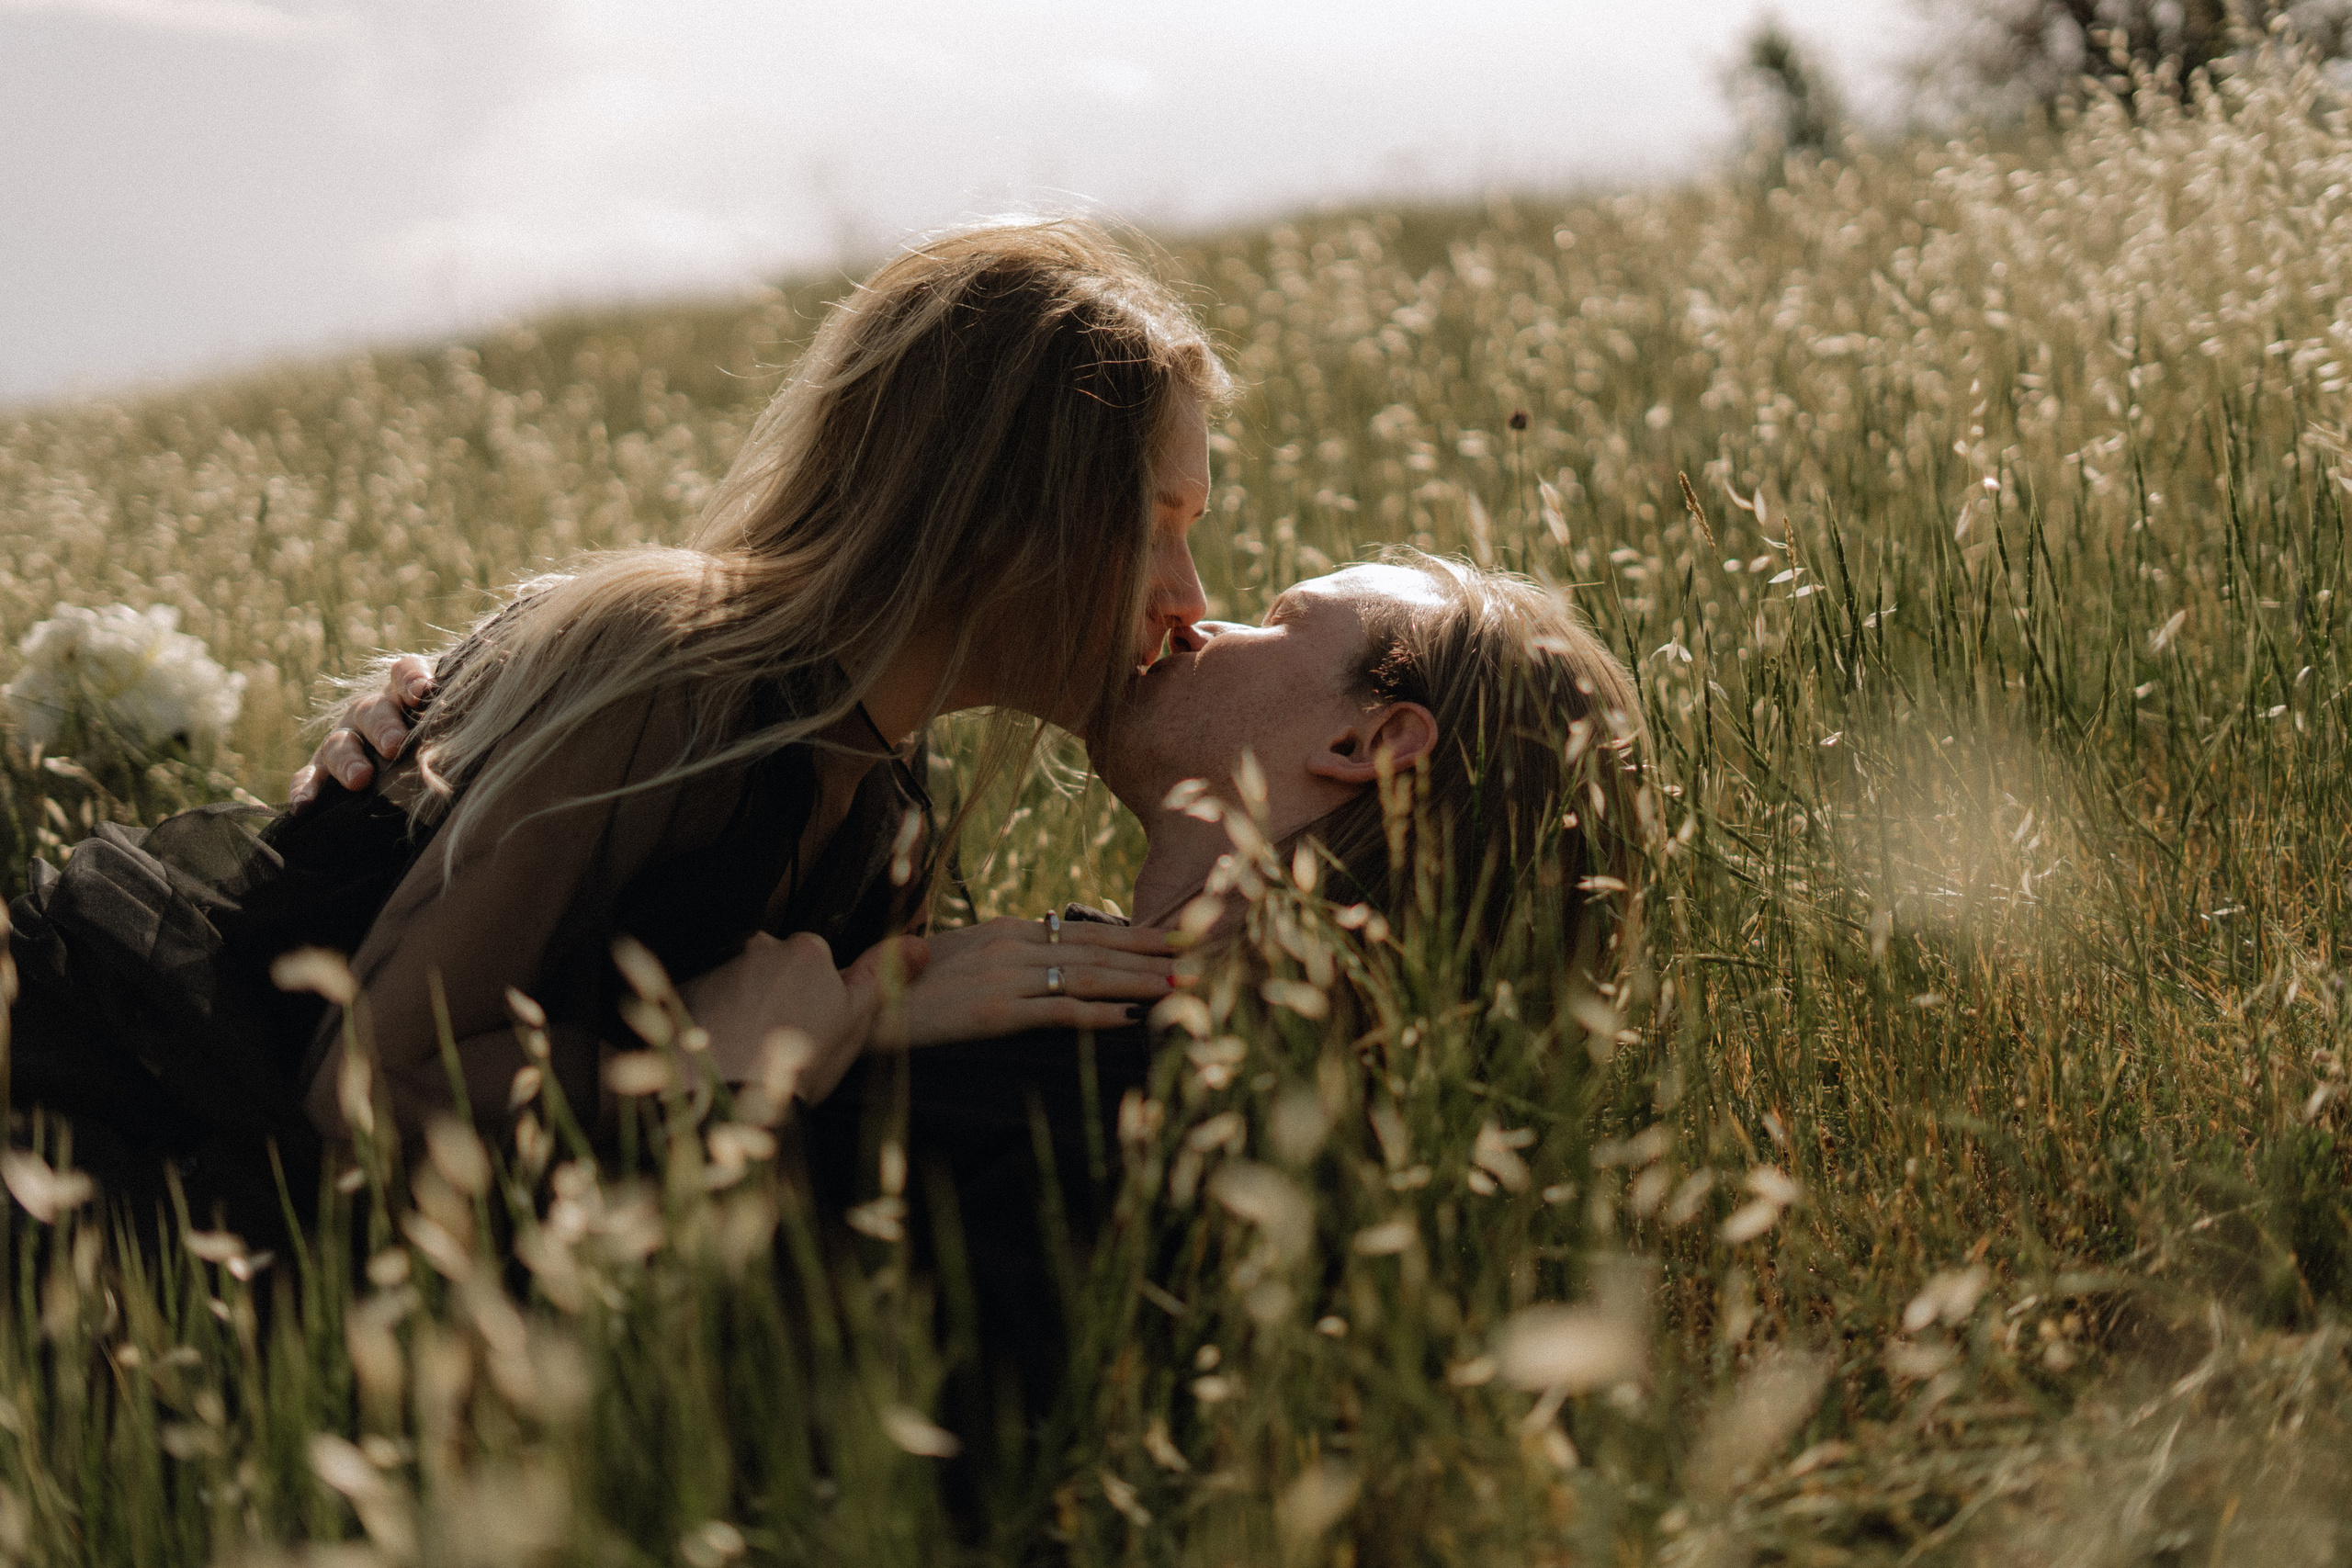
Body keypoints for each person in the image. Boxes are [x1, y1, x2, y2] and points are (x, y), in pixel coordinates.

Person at [6, 217, 1230, 1240]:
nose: (1190, 595)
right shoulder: (679, 666)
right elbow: (371, 1090)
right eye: (1159, 523)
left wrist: (870, 1010)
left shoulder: (883, 781)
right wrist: (713, 1051)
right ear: (999, 508)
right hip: (120, 1148)